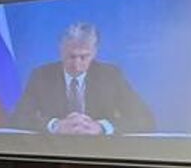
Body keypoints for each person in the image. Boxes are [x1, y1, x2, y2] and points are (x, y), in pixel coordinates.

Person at [8, 22, 154, 136]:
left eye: (84, 57)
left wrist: (101, 127)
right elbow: (18, 118)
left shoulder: (111, 75)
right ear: (61, 51)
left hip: (100, 151)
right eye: (71, 57)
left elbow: (144, 118)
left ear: (94, 52)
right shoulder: (41, 76)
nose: (77, 65)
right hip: (55, 151)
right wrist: (55, 125)